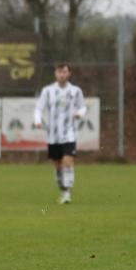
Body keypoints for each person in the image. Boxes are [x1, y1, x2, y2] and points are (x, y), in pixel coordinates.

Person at [33, 62, 87, 204]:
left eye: (64, 72)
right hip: (53, 136)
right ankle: (63, 190)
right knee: (58, 166)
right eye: (59, 72)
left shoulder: (75, 91)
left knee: (68, 162)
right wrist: (38, 120)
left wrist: (79, 114)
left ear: (69, 74)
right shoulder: (47, 91)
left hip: (69, 134)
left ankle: (68, 192)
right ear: (55, 74)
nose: (61, 74)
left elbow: (83, 107)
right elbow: (38, 108)